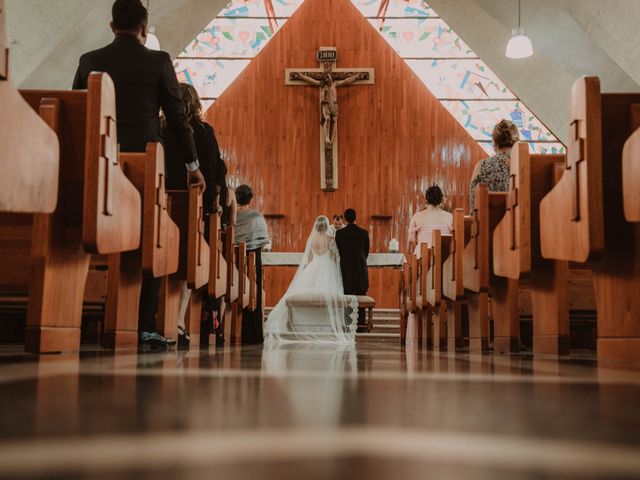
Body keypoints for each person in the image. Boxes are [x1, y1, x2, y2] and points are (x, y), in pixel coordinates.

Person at [73, 0, 206, 349]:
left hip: (99, 163)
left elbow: (76, 110)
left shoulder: (89, 62)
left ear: (111, 25)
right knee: (151, 237)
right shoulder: (157, 62)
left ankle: (79, 311)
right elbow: (177, 118)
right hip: (145, 165)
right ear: (145, 29)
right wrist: (193, 167)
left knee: (93, 225)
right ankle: (144, 325)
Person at [163, 83, 222, 348]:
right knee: (187, 261)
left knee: (162, 257)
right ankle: (177, 321)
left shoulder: (160, 128)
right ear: (196, 102)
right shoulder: (203, 131)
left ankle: (157, 316)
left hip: (161, 199)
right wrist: (209, 206)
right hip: (190, 203)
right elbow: (209, 170)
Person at [264, 216, 358, 343]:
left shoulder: (312, 240)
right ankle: (326, 325)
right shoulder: (331, 239)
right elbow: (335, 257)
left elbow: (308, 259)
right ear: (326, 227)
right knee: (328, 294)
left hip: (313, 267)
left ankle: (301, 324)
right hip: (327, 268)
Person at [234, 185, 270, 344]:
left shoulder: (232, 214)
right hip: (253, 256)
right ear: (251, 198)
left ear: (236, 198)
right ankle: (253, 334)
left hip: (233, 256)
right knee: (253, 292)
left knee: (235, 287)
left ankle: (232, 329)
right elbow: (263, 241)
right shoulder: (256, 216)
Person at [469, 119, 519, 211]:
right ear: (516, 143)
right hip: (523, 223)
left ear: (494, 143)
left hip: (488, 224)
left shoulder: (481, 166)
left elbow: (473, 208)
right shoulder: (524, 165)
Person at [335, 208, 370, 332]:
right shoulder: (364, 233)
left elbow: (339, 250)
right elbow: (366, 252)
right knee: (360, 294)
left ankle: (347, 324)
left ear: (344, 219)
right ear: (356, 218)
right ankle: (360, 325)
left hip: (345, 267)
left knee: (347, 295)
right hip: (360, 267)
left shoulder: (339, 234)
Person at [408, 185, 453, 256]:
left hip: (422, 255)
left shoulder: (416, 216)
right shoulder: (450, 217)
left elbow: (411, 240)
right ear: (441, 199)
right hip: (443, 257)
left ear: (426, 199)